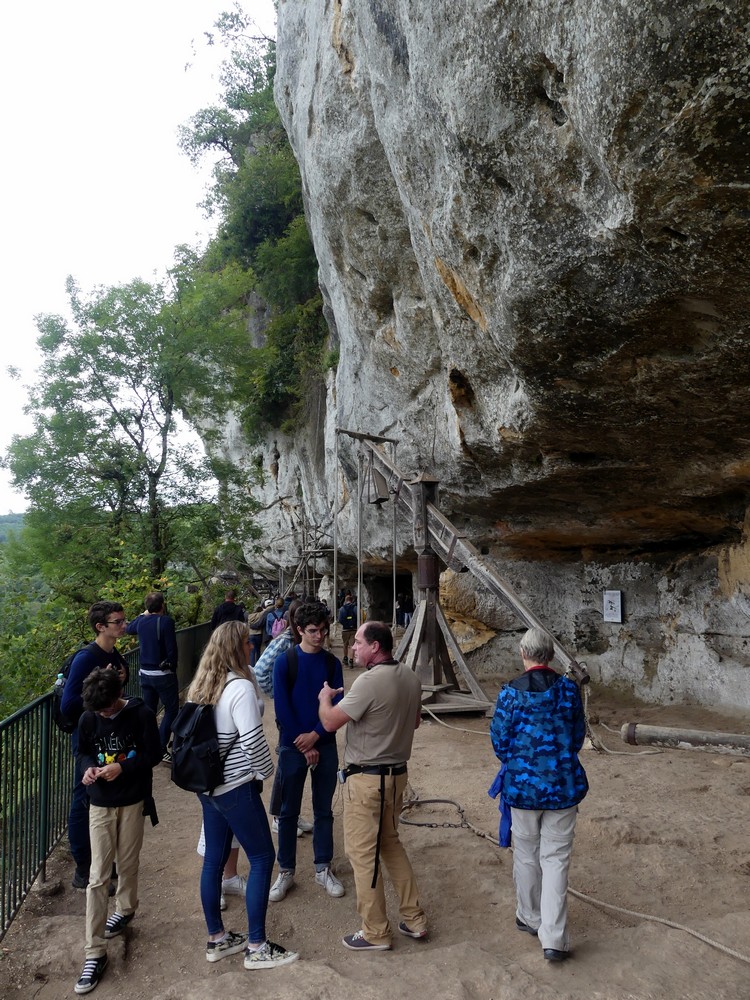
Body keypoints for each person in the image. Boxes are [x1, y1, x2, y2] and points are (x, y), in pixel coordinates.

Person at [188, 620, 298, 970]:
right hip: (236, 786)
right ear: (238, 649)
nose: (253, 647)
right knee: (264, 858)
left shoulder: (202, 686)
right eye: (248, 644)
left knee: (213, 862)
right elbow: (252, 741)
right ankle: (256, 945)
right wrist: (267, 772)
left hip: (209, 788)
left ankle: (217, 939)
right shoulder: (240, 689)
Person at [318, 621, 427, 951]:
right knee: (390, 844)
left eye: (358, 643)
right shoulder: (409, 676)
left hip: (366, 779)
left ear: (375, 646)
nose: (353, 647)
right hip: (397, 776)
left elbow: (329, 722)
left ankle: (376, 932)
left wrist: (325, 698)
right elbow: (417, 720)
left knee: (362, 855)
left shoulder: (368, 682)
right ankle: (414, 918)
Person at [489, 627, 589, 962]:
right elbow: (576, 739)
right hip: (563, 787)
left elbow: (500, 744)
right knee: (556, 859)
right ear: (550, 655)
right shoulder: (569, 692)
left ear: (523, 652)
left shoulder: (510, 694)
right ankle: (554, 938)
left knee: (527, 855)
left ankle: (530, 917)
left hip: (523, 790)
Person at [73, 667, 161, 995]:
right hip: (99, 803)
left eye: (107, 709)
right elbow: (82, 751)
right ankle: (94, 952)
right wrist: (88, 770)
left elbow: (153, 753)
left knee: (127, 864)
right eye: (98, 711)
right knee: (98, 876)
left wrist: (122, 766)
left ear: (117, 696)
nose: (103, 715)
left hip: (132, 800)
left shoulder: (140, 713)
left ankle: (125, 909)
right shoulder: (88, 719)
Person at [268, 603, 345, 903]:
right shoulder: (285, 661)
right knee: (288, 811)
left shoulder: (331, 663)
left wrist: (315, 736)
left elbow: (337, 707)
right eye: (313, 631)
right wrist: (306, 741)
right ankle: (285, 869)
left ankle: (322, 866)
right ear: (300, 629)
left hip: (320, 740)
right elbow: (282, 707)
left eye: (323, 631)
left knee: (324, 809)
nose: (320, 637)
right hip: (294, 743)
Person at [61, 601, 130, 890]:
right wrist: (104, 688)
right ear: (101, 626)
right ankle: (83, 866)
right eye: (118, 622)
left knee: (100, 795)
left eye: (124, 620)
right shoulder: (86, 658)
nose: (124, 625)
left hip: (108, 733)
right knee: (84, 796)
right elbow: (69, 705)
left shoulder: (113, 652)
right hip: (88, 736)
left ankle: (101, 861)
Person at [125, 591, 178, 762]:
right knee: (171, 709)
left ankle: (146, 745)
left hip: (145, 674)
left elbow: (129, 628)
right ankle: (161, 747)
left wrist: (144, 613)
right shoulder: (166, 622)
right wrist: (172, 665)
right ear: (162, 605)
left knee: (149, 712)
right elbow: (171, 648)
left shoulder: (141, 621)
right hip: (163, 674)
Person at [337, 593, 358, 666]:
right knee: (352, 645)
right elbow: (359, 617)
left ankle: (345, 658)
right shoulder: (355, 607)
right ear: (351, 600)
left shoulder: (342, 608)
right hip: (353, 629)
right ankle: (351, 660)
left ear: (345, 601)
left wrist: (345, 624)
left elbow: (339, 619)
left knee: (345, 644)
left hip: (345, 629)